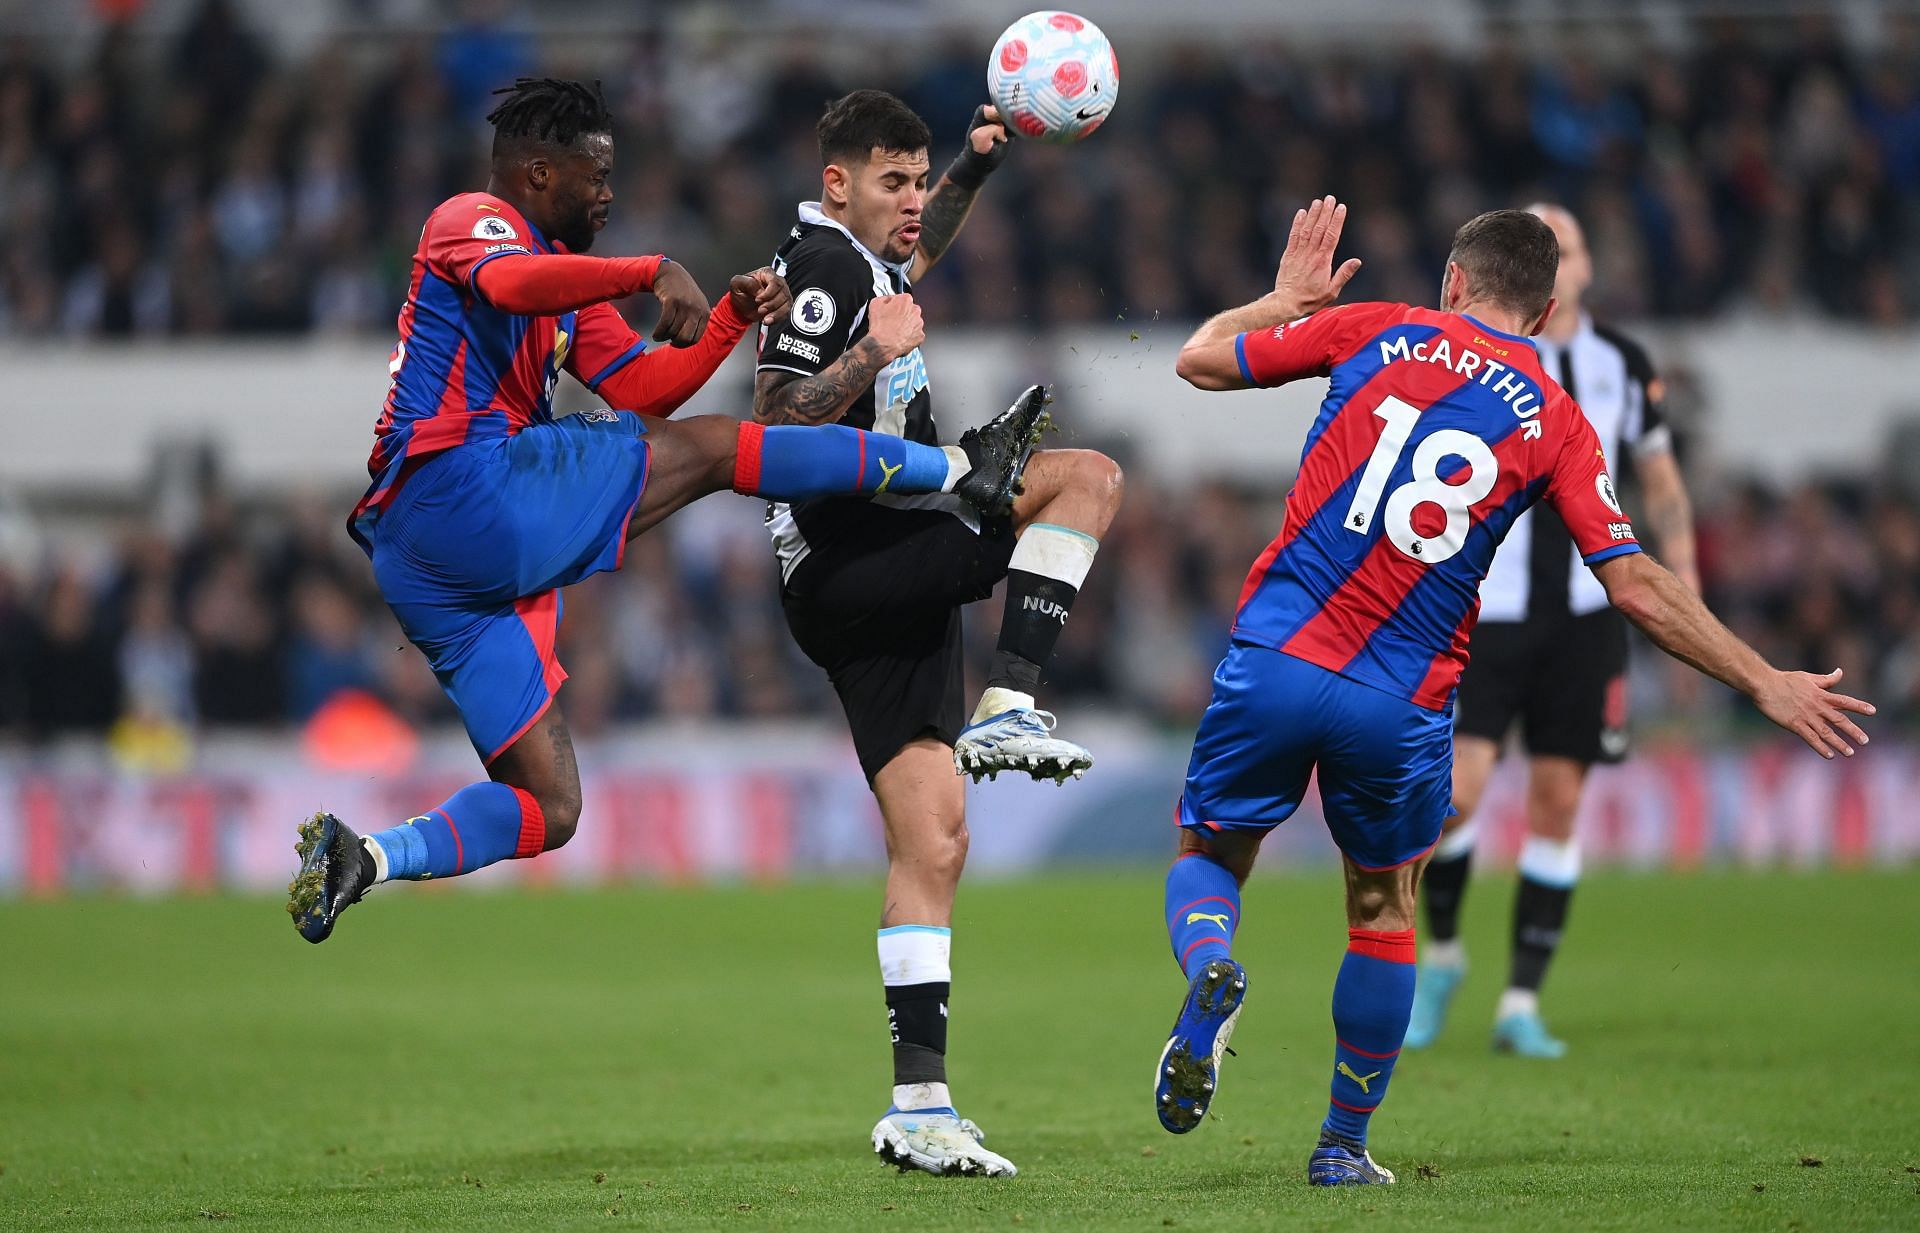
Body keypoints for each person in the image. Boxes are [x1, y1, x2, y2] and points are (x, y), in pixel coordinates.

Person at [1154, 198, 1873, 1185]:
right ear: (1541, 315)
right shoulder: (1562, 424)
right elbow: (1635, 585)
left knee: (1209, 853)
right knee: (1382, 908)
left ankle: (1210, 969)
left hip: (1277, 656)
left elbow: (1196, 359)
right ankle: (1341, 1148)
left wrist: (1277, 302)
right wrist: (1764, 679)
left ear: (1453, 282)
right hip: (1400, 699)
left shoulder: (1380, 328)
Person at [287, 79, 1045, 944]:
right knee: (727, 451)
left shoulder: (567, 291)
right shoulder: (471, 220)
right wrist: (650, 270)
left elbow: (650, 389)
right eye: (595, 175)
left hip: (435, 568)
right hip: (460, 485)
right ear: (537, 173)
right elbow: (511, 285)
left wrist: (726, 316)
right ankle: (957, 466)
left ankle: (366, 857)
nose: (609, 193)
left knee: (550, 805)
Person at [752, 90, 1126, 1177]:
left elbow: (919, 258)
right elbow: (774, 425)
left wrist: (974, 169)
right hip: (858, 555)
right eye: (894, 182)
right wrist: (874, 357)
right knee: (1085, 480)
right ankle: (1014, 702)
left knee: (935, 840)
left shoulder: (868, 259)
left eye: (919, 183)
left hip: (873, 574)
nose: (913, 203)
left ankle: (919, 1105)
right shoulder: (822, 269)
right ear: (837, 183)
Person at [1406, 203, 1700, 1059]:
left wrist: (1686, 599)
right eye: (1546, 248)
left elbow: (1665, 489)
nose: (1559, 262)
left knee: (1559, 801)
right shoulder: (1472, 360)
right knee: (1455, 795)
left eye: (1569, 245)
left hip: (1584, 618)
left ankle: (1520, 1002)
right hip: (1484, 610)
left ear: (1585, 267)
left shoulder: (1623, 365)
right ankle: (1445, 957)